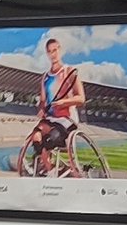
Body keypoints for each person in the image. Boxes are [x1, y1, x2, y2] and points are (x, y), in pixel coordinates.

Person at [25, 37, 86, 175]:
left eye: (55, 50)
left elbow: (81, 98)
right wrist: (41, 109)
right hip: (50, 119)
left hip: (66, 119)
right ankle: (50, 169)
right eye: (49, 52)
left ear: (60, 51)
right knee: (35, 138)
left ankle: (54, 168)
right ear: (47, 54)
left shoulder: (70, 72)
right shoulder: (45, 77)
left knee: (48, 141)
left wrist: (64, 102)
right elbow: (43, 101)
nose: (53, 54)